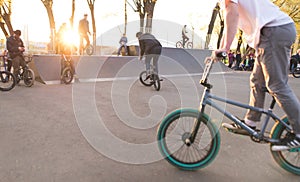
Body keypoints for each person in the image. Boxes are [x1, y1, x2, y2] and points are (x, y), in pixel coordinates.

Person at [216, 0, 300, 151]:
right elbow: (230, 18)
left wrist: (225, 48)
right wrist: (222, 48)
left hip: (274, 30)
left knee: (277, 85)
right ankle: (250, 122)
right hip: (271, 32)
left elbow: (232, 12)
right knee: (257, 81)